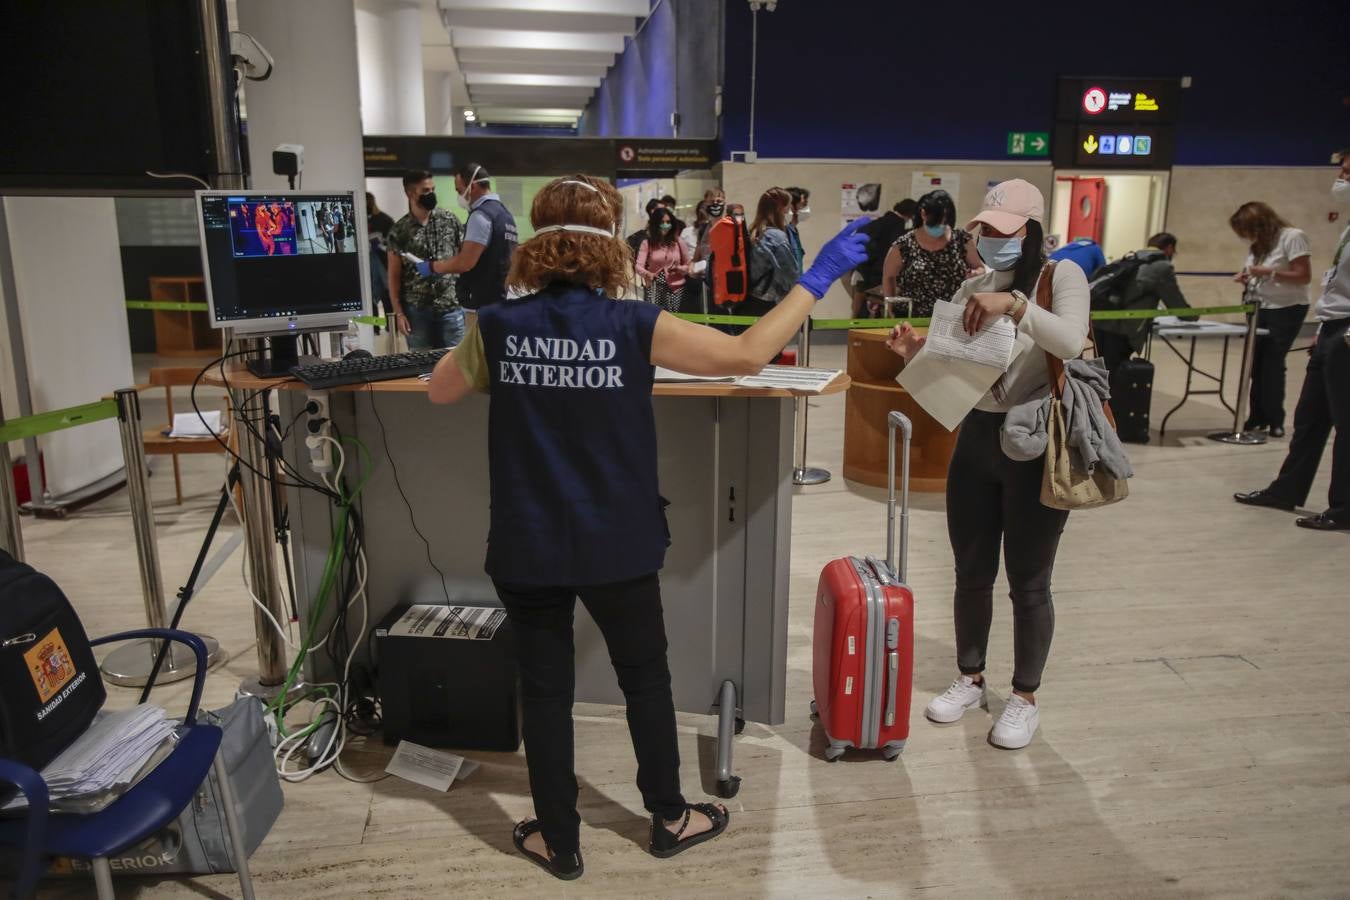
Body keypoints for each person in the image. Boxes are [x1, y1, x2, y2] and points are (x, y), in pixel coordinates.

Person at [425, 175, 871, 879]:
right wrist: (814, 280)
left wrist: (503, 336)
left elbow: (438, 388)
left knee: (544, 691)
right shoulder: (637, 326)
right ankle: (668, 816)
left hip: (526, 541)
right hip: (620, 540)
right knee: (645, 679)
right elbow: (749, 356)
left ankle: (560, 839)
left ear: (536, 244)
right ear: (611, 245)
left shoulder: (499, 329)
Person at [884, 179, 1090, 750]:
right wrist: (919, 350)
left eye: (1004, 231)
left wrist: (1018, 305)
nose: (992, 240)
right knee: (970, 570)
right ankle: (970, 676)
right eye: (986, 229)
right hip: (976, 436)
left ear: (1031, 232)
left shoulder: (1060, 277)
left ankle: (1025, 697)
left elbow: (1071, 341)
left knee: (1029, 580)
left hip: (1033, 440)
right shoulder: (976, 281)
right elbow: (963, 360)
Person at [1234, 152, 1350, 530]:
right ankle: (1287, 490)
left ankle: (1344, 507)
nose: (1340, 179)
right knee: (1310, 419)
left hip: (1346, 331)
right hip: (1331, 326)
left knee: (1345, 425)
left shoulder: (1293, 237)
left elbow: (1304, 274)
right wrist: (1323, 328)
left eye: (1348, 172)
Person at [1229, 201, 1313, 437]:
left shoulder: (1292, 237)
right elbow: (1253, 270)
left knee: (1273, 364)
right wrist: (1246, 277)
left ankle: (1276, 418)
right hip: (1259, 307)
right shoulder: (1259, 246)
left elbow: (1303, 276)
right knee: (1254, 365)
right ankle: (1257, 416)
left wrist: (1270, 273)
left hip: (1286, 308)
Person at [387, 169, 468, 349]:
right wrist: (399, 313)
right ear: (410, 193)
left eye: (433, 189)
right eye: (425, 191)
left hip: (451, 306)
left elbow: (465, 258)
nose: (431, 194)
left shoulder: (449, 220)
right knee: (421, 368)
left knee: (456, 364)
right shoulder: (398, 231)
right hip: (417, 311)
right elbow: (393, 278)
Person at [1093, 232, 1194, 376]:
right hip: (1122, 330)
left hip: (1099, 325)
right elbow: (1176, 303)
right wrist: (1192, 316)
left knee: (1099, 373)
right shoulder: (1162, 267)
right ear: (1170, 248)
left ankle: (1096, 398)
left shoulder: (1127, 259)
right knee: (1112, 377)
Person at [421, 162, 518, 311]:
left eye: (459, 191)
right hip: (501, 300)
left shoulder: (480, 216)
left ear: (472, 187)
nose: (459, 196)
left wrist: (432, 266)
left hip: (482, 305)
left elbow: (464, 263)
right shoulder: (505, 215)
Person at [881, 189, 983, 318]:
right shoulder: (905, 244)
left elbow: (979, 268)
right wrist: (889, 307)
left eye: (945, 222)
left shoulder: (962, 240)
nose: (940, 226)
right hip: (912, 316)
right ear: (924, 214)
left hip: (952, 316)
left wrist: (976, 273)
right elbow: (888, 276)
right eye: (936, 222)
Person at [854, 199, 917, 317]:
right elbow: (894, 252)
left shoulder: (881, 221)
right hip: (877, 272)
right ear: (911, 214)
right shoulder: (897, 225)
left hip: (863, 267)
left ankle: (853, 321)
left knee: (861, 293)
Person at [745, 188, 800, 316]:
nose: (788, 213)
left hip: (749, 299)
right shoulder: (776, 237)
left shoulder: (753, 231)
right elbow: (790, 274)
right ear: (779, 209)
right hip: (768, 302)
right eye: (787, 208)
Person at [637, 206, 689, 311]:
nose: (665, 225)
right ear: (655, 224)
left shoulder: (678, 242)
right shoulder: (647, 243)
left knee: (675, 320)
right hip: (654, 289)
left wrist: (679, 268)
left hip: (676, 289)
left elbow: (689, 264)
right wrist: (647, 274)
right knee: (655, 319)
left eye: (668, 222)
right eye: (662, 222)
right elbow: (638, 266)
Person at [366, 192, 395, 310]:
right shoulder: (358, 219)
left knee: (386, 291)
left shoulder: (385, 220)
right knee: (371, 293)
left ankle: (391, 325)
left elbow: (393, 242)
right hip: (368, 262)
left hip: (383, 259)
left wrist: (381, 243)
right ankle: (374, 328)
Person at [785, 186, 810, 271]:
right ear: (791, 206)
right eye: (803, 205)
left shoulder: (793, 231)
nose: (807, 208)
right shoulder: (783, 232)